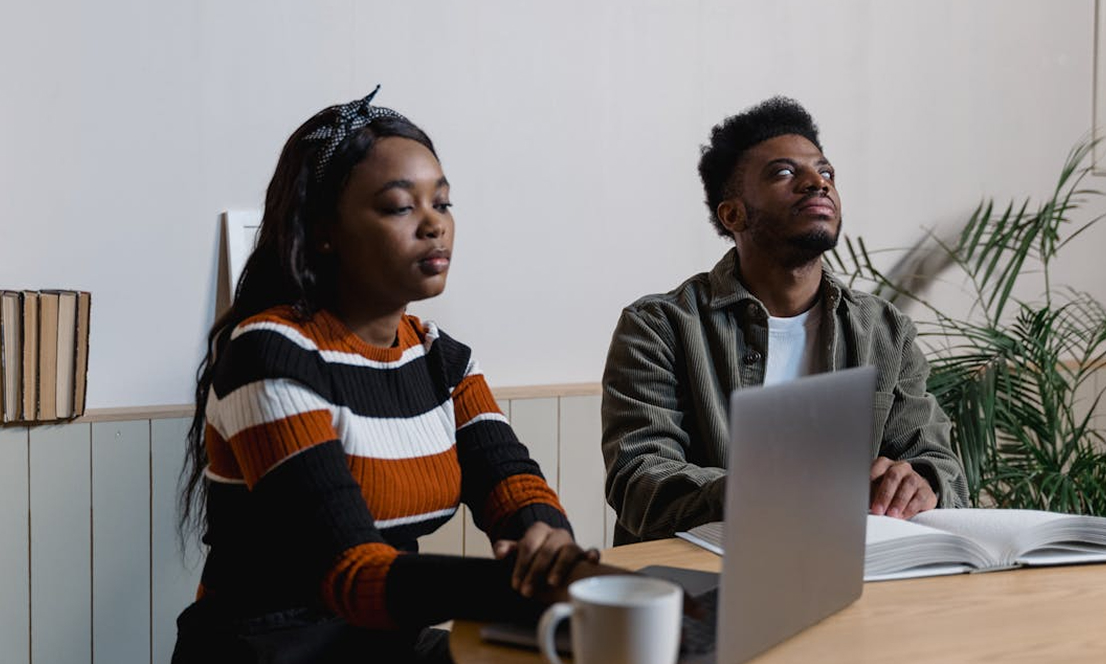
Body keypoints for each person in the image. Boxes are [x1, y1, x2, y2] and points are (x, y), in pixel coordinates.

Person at [173, 88, 614, 663]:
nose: (435, 225)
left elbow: (511, 481)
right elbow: (350, 575)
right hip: (269, 649)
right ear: (325, 229)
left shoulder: (441, 359)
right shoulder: (269, 352)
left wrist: (546, 540)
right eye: (401, 207)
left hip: (385, 644)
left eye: (443, 203)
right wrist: (516, 588)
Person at [602, 96, 969, 544]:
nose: (817, 183)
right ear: (733, 214)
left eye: (825, 172)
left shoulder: (885, 331)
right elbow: (640, 482)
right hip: (698, 574)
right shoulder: (658, 328)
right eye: (783, 173)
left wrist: (921, 483)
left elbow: (939, 464)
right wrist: (769, 492)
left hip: (851, 569)